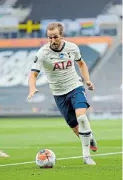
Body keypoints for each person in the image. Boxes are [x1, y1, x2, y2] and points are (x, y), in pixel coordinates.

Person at [27, 22, 97, 165]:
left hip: (75, 87)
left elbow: (81, 63)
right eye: (49, 38)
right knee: (75, 127)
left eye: (55, 37)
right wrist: (32, 88)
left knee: (82, 117)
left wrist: (87, 80)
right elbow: (33, 74)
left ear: (62, 36)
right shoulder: (43, 53)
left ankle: (86, 156)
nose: (52, 41)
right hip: (59, 94)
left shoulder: (72, 48)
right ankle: (89, 137)